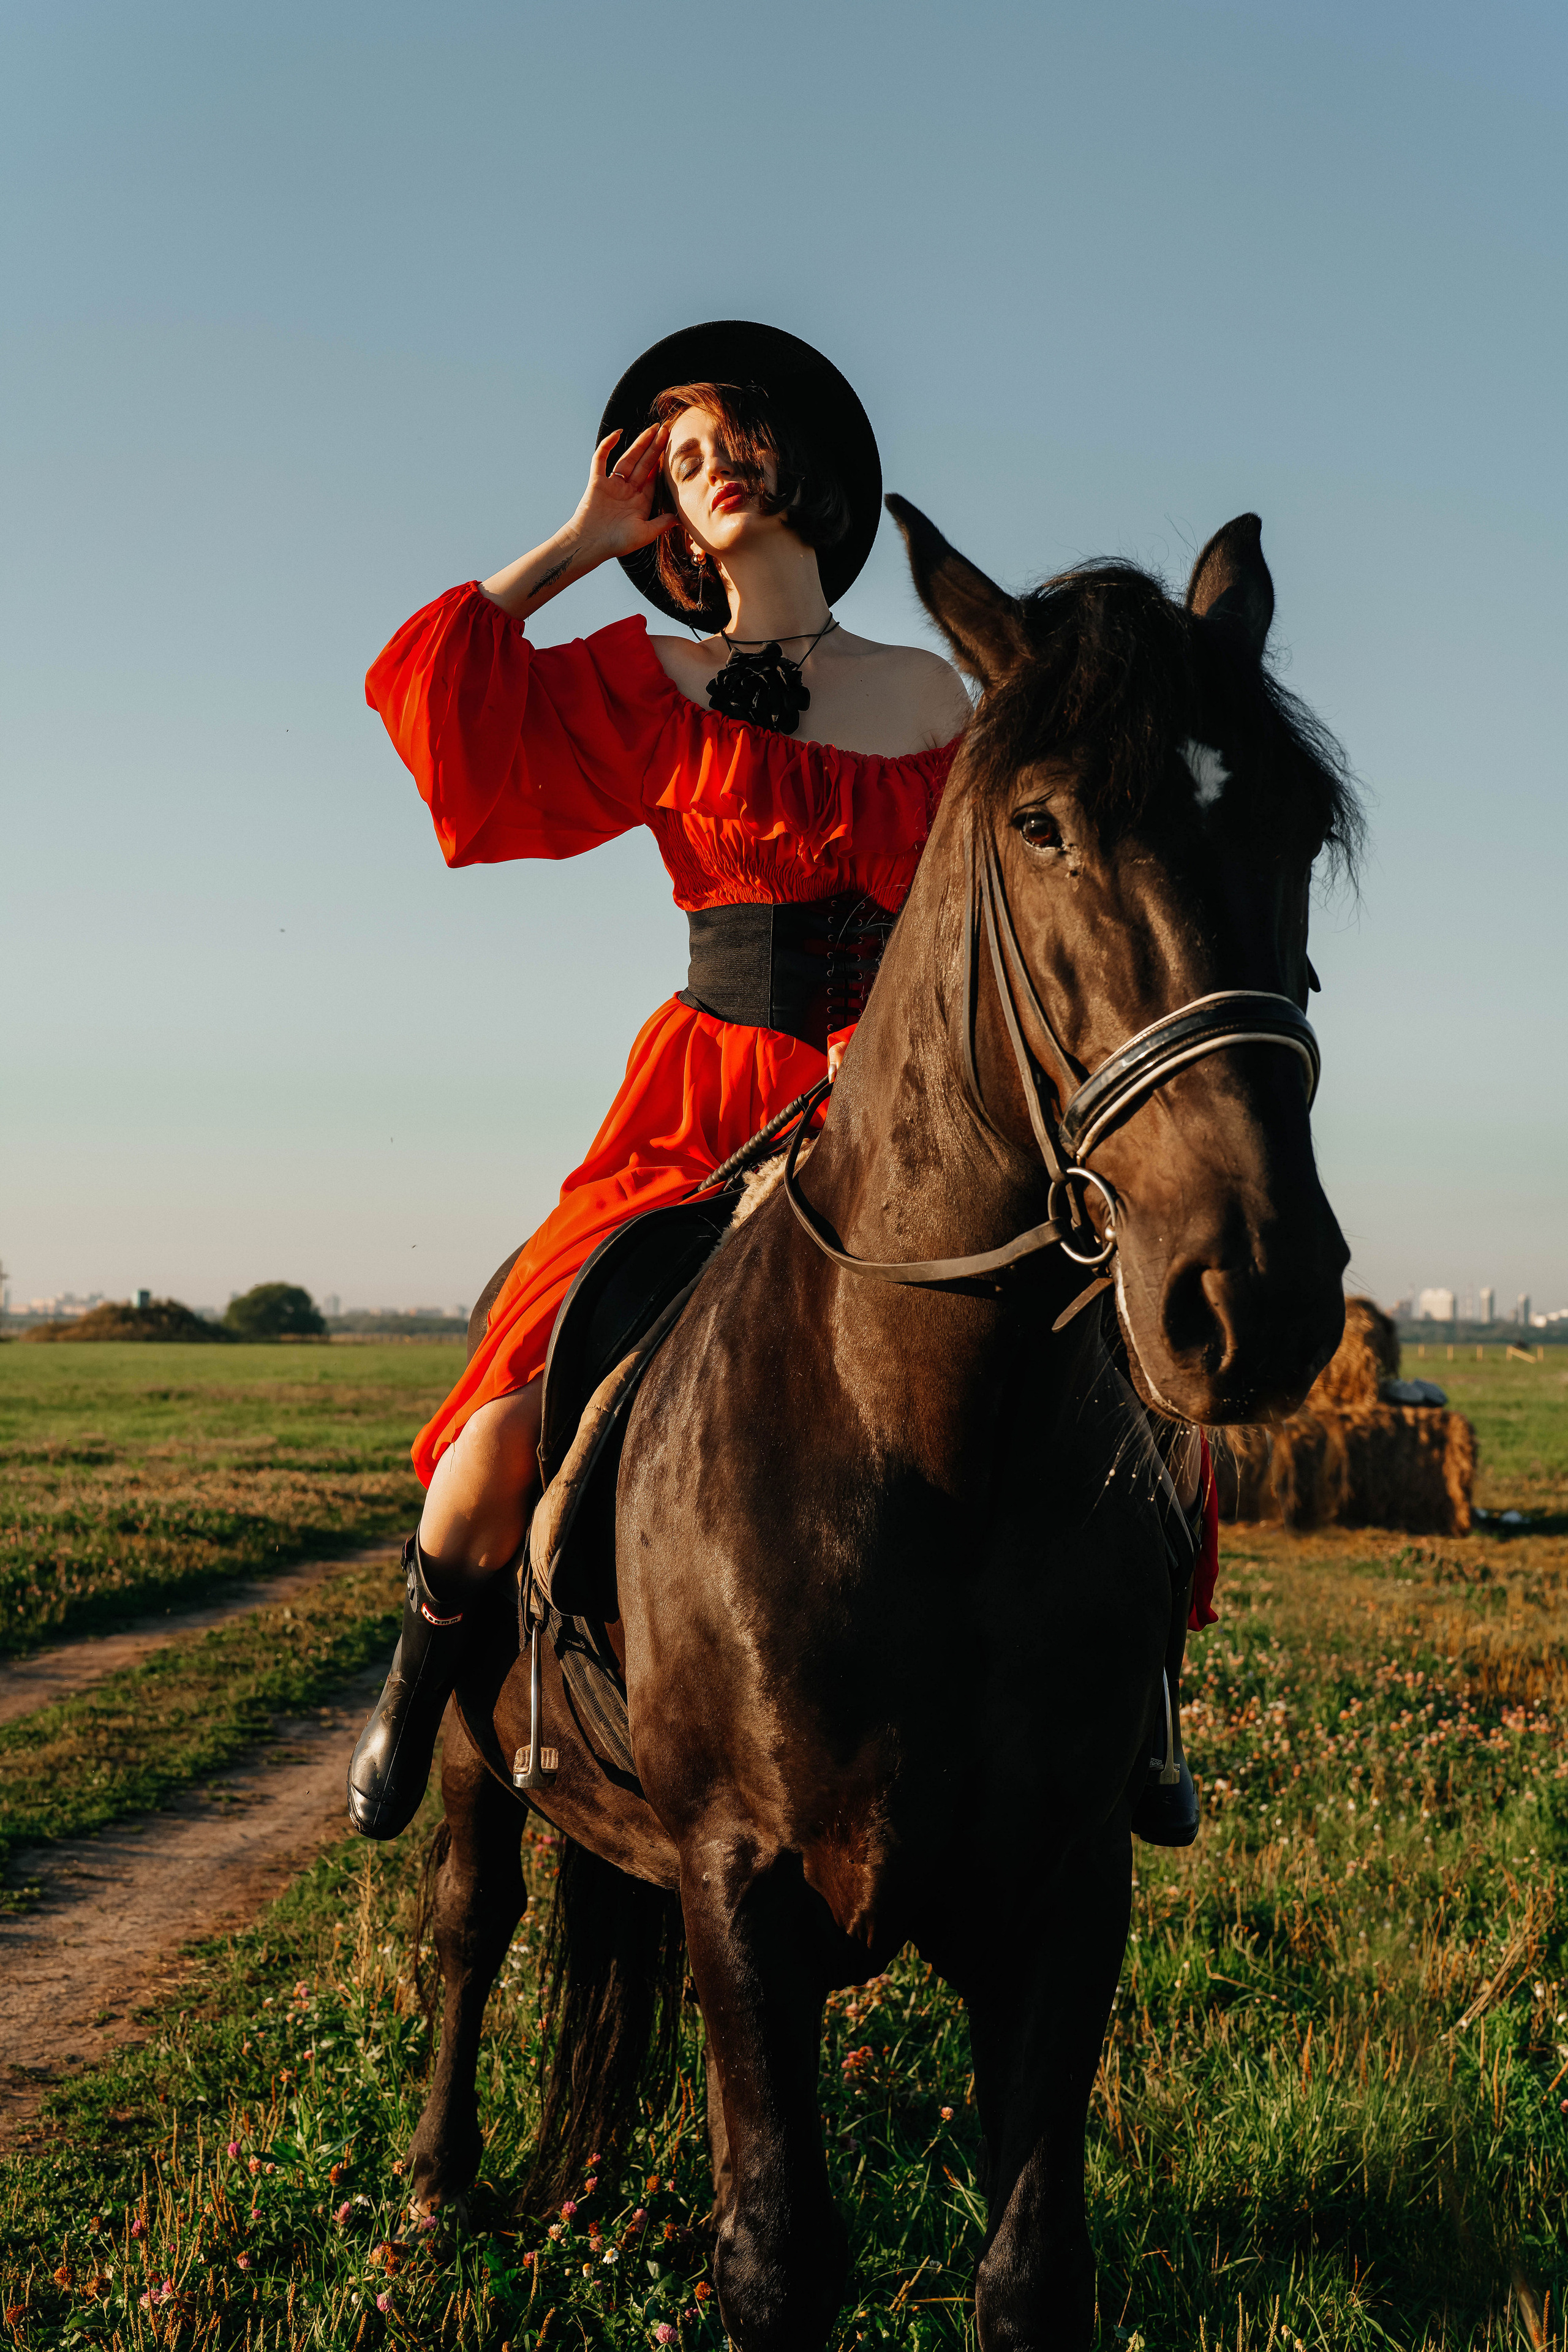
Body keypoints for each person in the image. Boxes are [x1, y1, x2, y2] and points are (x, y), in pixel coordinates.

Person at [348, 322, 971, 1839]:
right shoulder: (654, 677)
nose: (710, 467)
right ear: (666, 519)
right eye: (678, 461)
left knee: (1106, 1364)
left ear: (796, 462)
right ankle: (414, 1699)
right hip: (702, 1104)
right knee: (495, 1441)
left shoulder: (939, 698)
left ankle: (1135, 1715)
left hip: (900, 1096)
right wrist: (579, 542)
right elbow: (440, 701)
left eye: (730, 439)